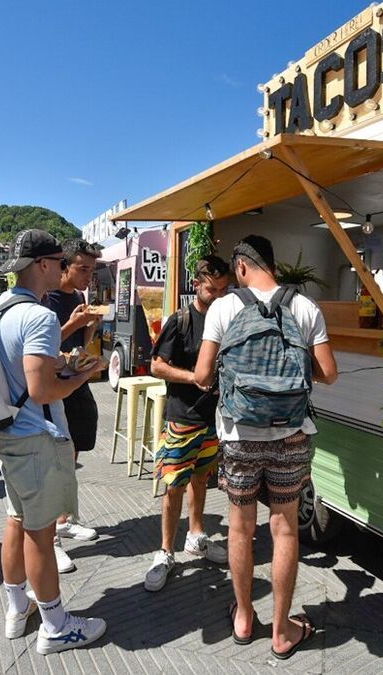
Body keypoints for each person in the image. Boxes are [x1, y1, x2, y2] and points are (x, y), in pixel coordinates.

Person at [194, 235, 339, 659]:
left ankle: (243, 617)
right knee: (285, 528)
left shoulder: (224, 307)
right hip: (291, 434)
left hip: (239, 433)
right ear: (272, 265)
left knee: (240, 528)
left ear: (240, 267)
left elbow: (203, 374)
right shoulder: (305, 307)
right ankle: (282, 630)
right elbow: (329, 373)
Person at [0, 229, 108, 652]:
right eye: (60, 262)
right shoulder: (39, 315)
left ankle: (15, 606)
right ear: (43, 265)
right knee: (40, 535)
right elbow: (42, 390)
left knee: (16, 520)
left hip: (6, 428)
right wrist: (80, 376)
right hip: (37, 435)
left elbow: (21, 368)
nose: (63, 268)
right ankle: (56, 626)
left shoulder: (1, 307)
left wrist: (59, 362)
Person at [144, 255, 232, 592]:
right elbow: (156, 366)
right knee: (174, 485)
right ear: (196, 284)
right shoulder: (181, 320)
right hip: (182, 417)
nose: (218, 295)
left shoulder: (226, 319)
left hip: (213, 418)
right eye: (213, 289)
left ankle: (196, 536)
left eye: (224, 289)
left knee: (201, 479)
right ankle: (165, 550)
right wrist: (194, 378)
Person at [41, 238, 103, 572]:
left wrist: (91, 328)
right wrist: (74, 325)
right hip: (49, 390)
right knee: (52, 462)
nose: (88, 277)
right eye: (83, 269)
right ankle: (50, 541)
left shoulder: (78, 298)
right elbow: (42, 347)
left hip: (74, 382)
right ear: (62, 265)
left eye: (92, 270)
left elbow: (78, 345)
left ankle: (63, 520)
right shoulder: (44, 297)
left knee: (72, 454)